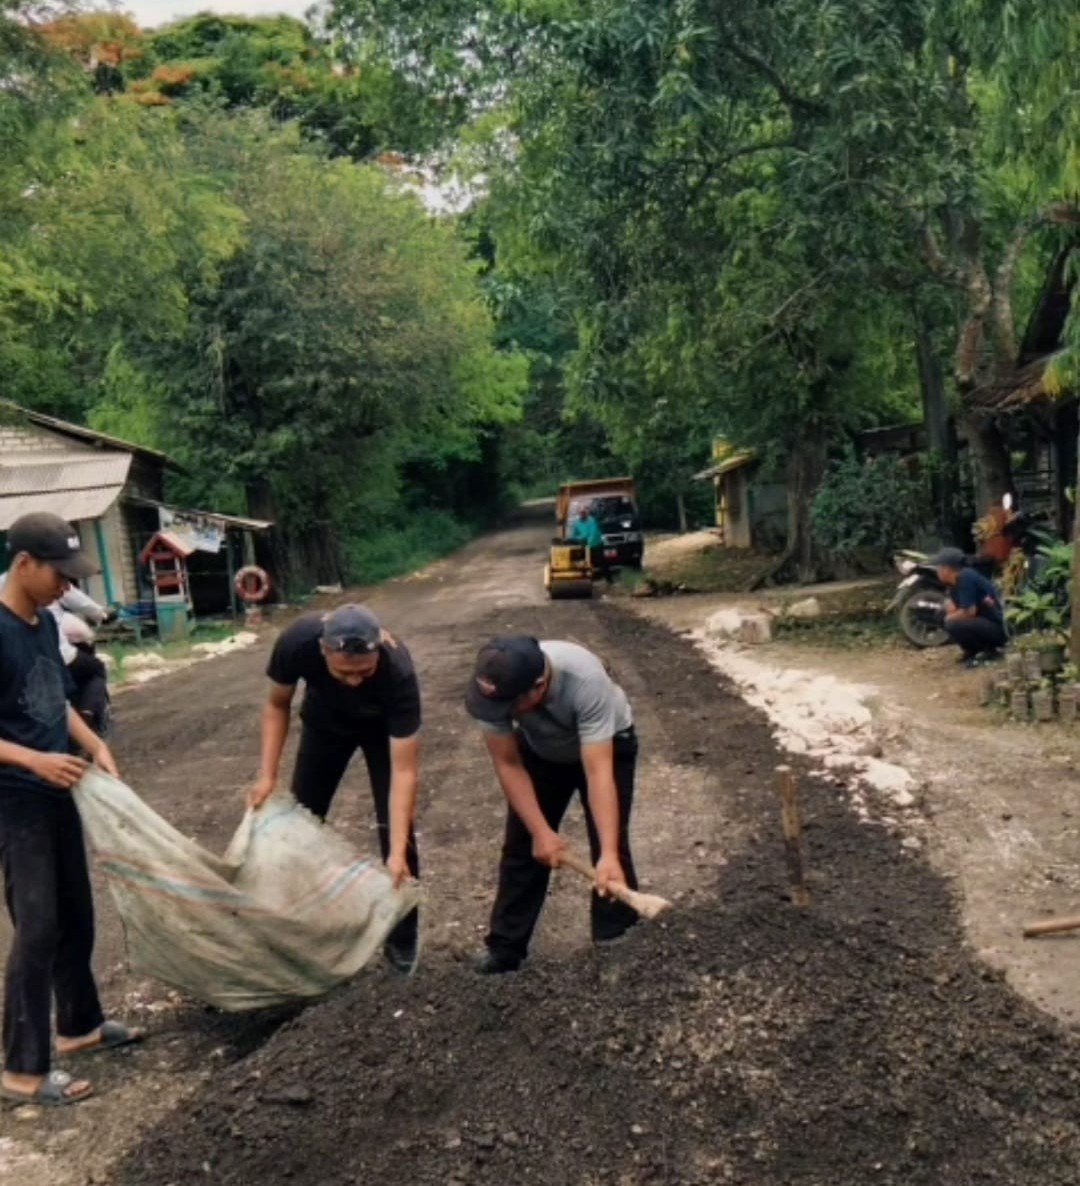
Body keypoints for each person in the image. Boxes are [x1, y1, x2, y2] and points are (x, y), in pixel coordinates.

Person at [0, 513, 138, 1108]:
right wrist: (33, 761)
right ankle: (21, 1070)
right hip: (14, 799)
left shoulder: (43, 622)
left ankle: (78, 1026)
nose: (67, 586)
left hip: (58, 788)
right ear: (24, 563)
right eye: (60, 573)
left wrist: (95, 744)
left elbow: (56, 701)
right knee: (37, 925)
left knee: (76, 913)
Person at [246, 603, 422, 974]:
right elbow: (277, 704)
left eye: (364, 672)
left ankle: (402, 941)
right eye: (344, 672)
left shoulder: (397, 669)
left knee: (400, 841)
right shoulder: (297, 641)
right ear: (324, 651)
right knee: (300, 825)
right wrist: (267, 775)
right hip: (324, 726)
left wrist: (395, 852)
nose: (355, 680)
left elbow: (404, 771)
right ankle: (297, 933)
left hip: (381, 732)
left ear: (377, 654)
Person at [465, 635, 640, 974]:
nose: (501, 715)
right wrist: (541, 831)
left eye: (509, 707)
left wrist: (606, 853)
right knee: (522, 845)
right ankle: (505, 949)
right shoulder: (495, 688)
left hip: (607, 748)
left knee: (611, 846)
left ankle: (614, 938)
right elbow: (508, 764)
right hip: (542, 752)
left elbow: (598, 770)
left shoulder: (583, 680)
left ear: (539, 685)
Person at [0, 573, 111, 734]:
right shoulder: (46, 589)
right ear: (24, 563)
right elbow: (80, 601)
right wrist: (102, 613)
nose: (64, 588)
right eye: (60, 579)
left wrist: (95, 746)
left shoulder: (46, 619)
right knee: (96, 669)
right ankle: (87, 715)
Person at [932, 546, 1007, 666]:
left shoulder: (966, 577)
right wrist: (948, 604)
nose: (937, 571)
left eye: (939, 567)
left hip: (995, 626)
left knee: (951, 622)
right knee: (940, 615)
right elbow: (953, 604)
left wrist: (950, 617)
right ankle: (972, 650)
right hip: (980, 621)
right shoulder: (954, 581)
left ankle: (989, 650)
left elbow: (969, 612)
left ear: (946, 569)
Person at [569, 504, 612, 586]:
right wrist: (579, 539)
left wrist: (588, 543)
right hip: (584, 546)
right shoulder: (576, 523)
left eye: (584, 512)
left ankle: (609, 580)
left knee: (602, 562)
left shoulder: (592, 520)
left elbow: (593, 533)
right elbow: (573, 536)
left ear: (587, 513)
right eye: (581, 513)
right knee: (582, 563)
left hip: (596, 544)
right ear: (579, 513)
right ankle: (584, 581)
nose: (582, 514)